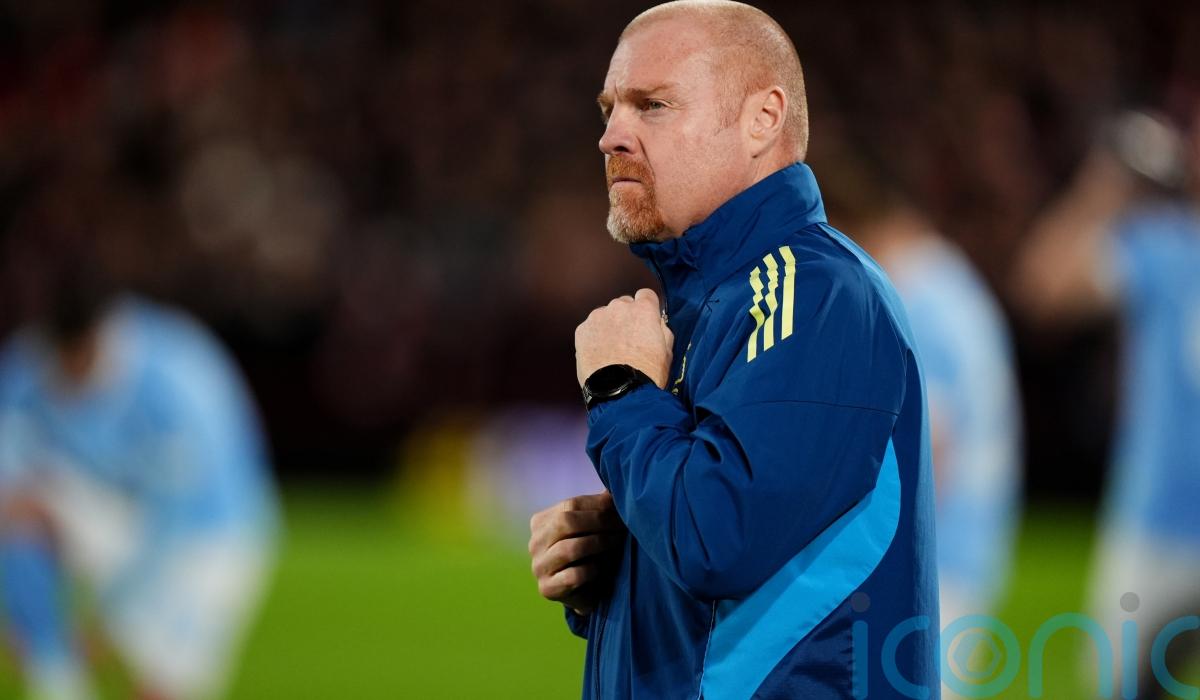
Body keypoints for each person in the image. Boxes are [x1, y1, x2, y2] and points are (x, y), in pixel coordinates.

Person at [526, 2, 940, 697]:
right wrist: (623, 555)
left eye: (652, 105)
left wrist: (620, 389)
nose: (611, 136)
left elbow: (718, 537)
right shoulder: (715, 301)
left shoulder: (812, 292)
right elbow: (737, 546)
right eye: (608, 109)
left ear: (762, 119)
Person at [0, 279, 279, 700]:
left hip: (208, 533)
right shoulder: (28, 364)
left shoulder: (175, 381)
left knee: (164, 687)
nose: (68, 371)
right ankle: (54, 676)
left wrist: (109, 625)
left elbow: (175, 523)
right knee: (20, 517)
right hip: (114, 504)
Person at [1013, 107, 1200, 698]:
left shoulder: (1165, 245)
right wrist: (1105, 189)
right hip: (1156, 521)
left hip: (1154, 521)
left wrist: (1105, 189)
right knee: (1122, 685)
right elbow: (1044, 290)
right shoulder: (1167, 246)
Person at [834, 175, 1023, 698]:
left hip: (928, 571)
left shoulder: (910, 295)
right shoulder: (954, 284)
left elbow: (929, 445)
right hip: (970, 551)